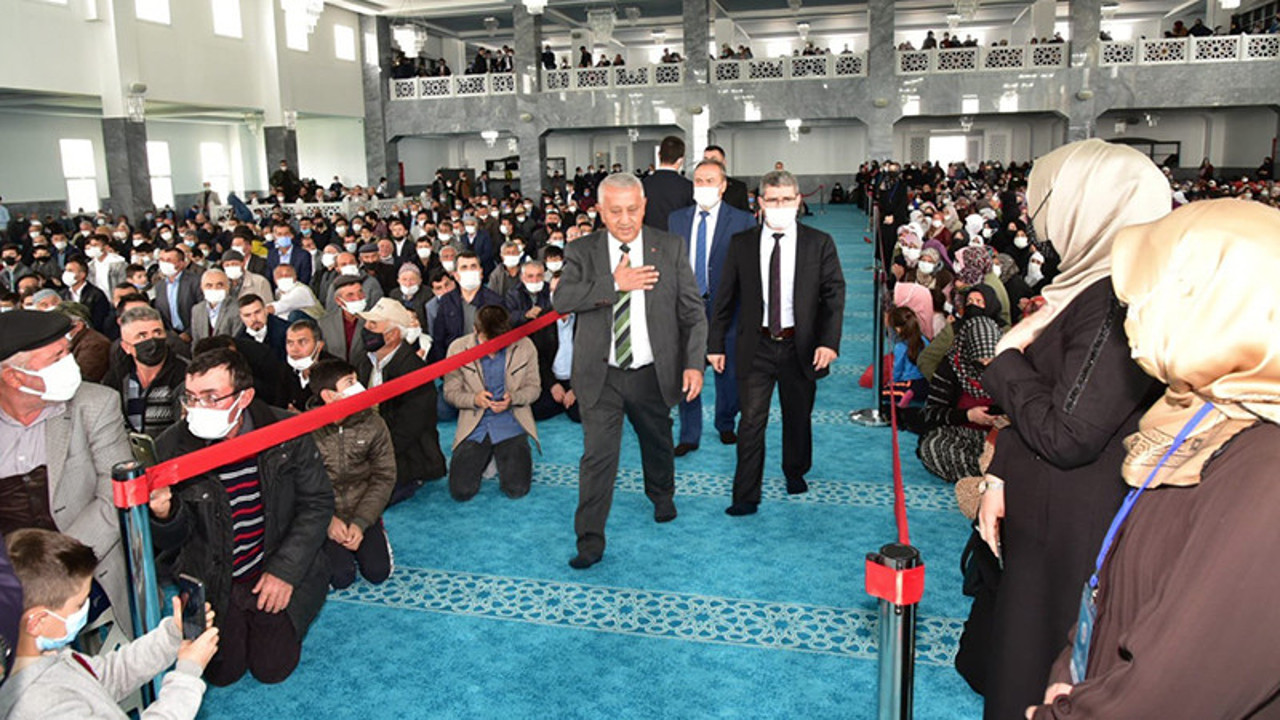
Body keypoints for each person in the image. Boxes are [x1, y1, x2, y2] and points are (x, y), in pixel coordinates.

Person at [1023, 199, 1280, 719]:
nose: (1131, 320)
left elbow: (1182, 685)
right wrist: (1071, 674)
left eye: (1149, 301)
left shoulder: (1268, 473)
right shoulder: (1198, 411)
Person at [975, 139, 1169, 720]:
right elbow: (1056, 401)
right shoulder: (1088, 283)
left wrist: (1004, 359)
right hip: (1049, 520)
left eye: (1049, 201)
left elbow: (1069, 432)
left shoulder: (1119, 296)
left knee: (1043, 678)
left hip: (1076, 532)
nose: (1037, 219)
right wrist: (1001, 471)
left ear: (1092, 204)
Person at [149, 348, 333, 686]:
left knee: (273, 669)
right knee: (221, 673)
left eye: (211, 397)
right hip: (214, 574)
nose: (198, 408)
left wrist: (285, 571)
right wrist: (164, 515)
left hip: (271, 562)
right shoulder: (171, 446)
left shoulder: (286, 431)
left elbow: (317, 503)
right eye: (191, 398)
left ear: (245, 396)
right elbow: (170, 543)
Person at [552, 172, 707, 569]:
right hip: (601, 375)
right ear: (600, 211)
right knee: (597, 458)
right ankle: (589, 539)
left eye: (633, 209)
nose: (625, 219)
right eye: (616, 211)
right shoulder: (582, 251)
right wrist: (613, 284)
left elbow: (692, 312)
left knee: (657, 440)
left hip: (650, 371)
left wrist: (693, 364)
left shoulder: (669, 247)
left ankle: (662, 493)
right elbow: (563, 300)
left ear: (644, 207)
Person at [707, 170, 846, 515]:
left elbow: (834, 296)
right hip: (756, 346)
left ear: (799, 201)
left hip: (801, 346)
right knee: (751, 421)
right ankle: (745, 494)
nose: (780, 205)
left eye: (786, 199)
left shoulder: (820, 243)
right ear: (760, 203)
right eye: (772, 200)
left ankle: (795, 470)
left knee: (798, 415)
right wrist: (714, 344)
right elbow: (724, 298)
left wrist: (828, 342)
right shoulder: (742, 244)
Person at [0, 310, 135, 637]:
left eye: (67, 351)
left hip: (85, 561)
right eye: (56, 357)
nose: (69, 363)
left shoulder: (96, 405)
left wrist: (57, 569)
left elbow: (113, 496)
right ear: (14, 377)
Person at [0, 529, 219, 719]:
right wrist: (186, 675)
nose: (86, 608)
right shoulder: (43, 705)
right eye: (78, 604)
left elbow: (105, 677)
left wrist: (172, 634)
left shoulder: (40, 652)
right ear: (38, 621)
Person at [667, 158, 757, 454]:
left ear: (723, 186)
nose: (703, 186)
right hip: (687, 308)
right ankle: (689, 434)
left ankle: (726, 423)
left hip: (727, 308)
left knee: (727, 369)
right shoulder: (676, 219)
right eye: (699, 181)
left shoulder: (742, 220)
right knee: (688, 368)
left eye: (710, 181)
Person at [308, 359, 395, 590]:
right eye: (350, 382)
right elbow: (302, 485)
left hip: (363, 506)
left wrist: (361, 522)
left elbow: (384, 476)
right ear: (329, 395)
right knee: (340, 577)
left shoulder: (374, 423)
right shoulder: (306, 430)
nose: (359, 387)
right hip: (324, 512)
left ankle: (377, 533)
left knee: (378, 573)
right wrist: (327, 520)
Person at [443, 305, 541, 501]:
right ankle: (488, 457)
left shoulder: (525, 346)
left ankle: (503, 456)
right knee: (461, 492)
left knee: (517, 490)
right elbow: (450, 393)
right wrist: (474, 399)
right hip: (475, 425)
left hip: (511, 421)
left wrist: (514, 398)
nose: (494, 348)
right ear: (475, 330)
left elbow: (534, 388)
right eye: (487, 341)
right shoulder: (457, 348)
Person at [355, 299, 447, 504]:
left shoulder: (414, 372)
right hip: (372, 443)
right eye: (367, 324)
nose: (366, 329)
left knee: (368, 499)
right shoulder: (363, 360)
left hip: (407, 453)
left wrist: (374, 457)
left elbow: (409, 429)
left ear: (393, 334)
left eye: (373, 325)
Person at [100, 306, 187, 439]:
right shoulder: (117, 377)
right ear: (126, 347)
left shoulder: (185, 374)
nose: (152, 341)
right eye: (142, 336)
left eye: (157, 333)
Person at [641, 136, 694, 230]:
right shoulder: (688, 187)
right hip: (678, 240)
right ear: (681, 160)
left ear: (659, 155)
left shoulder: (643, 184)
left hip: (649, 239)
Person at [318, 276, 368, 364]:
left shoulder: (373, 321)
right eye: (350, 295)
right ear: (339, 301)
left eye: (360, 292)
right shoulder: (324, 324)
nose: (358, 298)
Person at [57, 303, 110, 383]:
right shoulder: (77, 341)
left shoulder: (95, 345)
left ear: (78, 325)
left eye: (61, 326)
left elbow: (81, 378)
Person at [190, 268, 243, 344]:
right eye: (209, 285)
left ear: (228, 287)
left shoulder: (237, 309)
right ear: (202, 288)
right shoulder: (197, 310)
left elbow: (236, 342)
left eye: (219, 285)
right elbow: (196, 341)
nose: (214, 289)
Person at [702, 145, 751, 212]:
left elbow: (745, 215)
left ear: (724, 162)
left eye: (714, 159)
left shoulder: (738, 187)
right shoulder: (697, 187)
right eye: (706, 159)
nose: (709, 163)